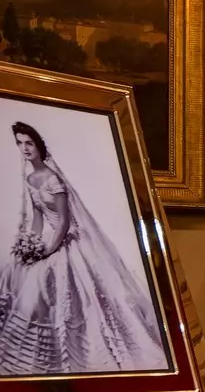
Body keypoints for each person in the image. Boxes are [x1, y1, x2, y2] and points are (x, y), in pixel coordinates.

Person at [0, 120, 167, 375]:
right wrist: (31, 246)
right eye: (20, 144)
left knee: (64, 291)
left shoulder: (52, 179)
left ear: (38, 145)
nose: (24, 148)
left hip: (64, 241)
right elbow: (37, 219)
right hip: (46, 240)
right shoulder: (30, 178)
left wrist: (48, 250)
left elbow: (64, 222)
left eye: (29, 143)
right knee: (21, 280)